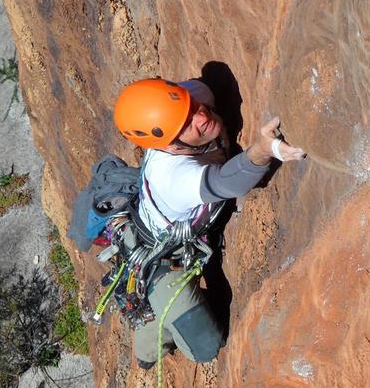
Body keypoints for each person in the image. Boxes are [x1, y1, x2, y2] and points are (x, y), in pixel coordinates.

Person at [113, 77, 305, 368]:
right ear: (171, 145)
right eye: (186, 124)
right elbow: (229, 182)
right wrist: (266, 150)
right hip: (162, 261)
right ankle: (150, 341)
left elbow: (195, 90)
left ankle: (164, 314)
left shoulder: (190, 98)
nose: (202, 116)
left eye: (192, 107)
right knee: (205, 347)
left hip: (174, 236)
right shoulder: (173, 176)